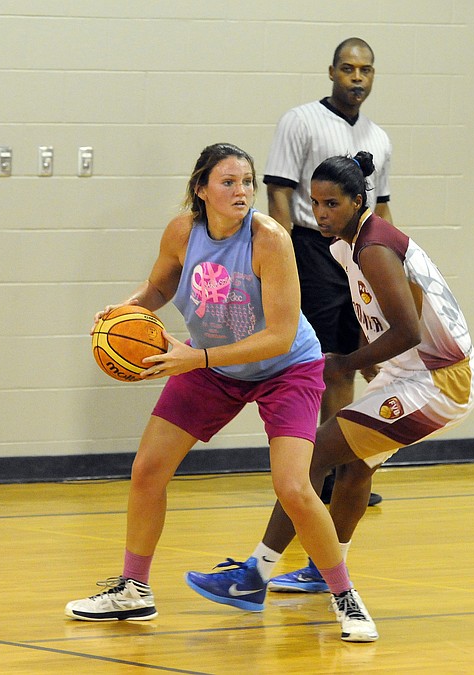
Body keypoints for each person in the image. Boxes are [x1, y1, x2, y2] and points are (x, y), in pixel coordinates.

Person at [65, 143, 378, 643]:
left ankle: (345, 596)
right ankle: (133, 590)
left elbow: (278, 334)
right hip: (212, 366)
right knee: (147, 469)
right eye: (229, 182)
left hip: (285, 368)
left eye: (248, 182)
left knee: (294, 487)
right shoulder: (181, 233)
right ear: (201, 189)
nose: (242, 191)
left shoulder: (269, 239)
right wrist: (125, 309)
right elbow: (160, 288)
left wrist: (198, 358)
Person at [185, 151, 474, 603]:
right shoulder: (348, 243)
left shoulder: (374, 247)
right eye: (315, 203)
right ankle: (325, 570)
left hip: (440, 381)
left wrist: (343, 363)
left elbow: (407, 330)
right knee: (355, 466)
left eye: (332, 204)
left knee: (315, 454)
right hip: (413, 371)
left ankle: (254, 574)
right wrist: (370, 360)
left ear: (358, 201)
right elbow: (386, 319)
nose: (321, 213)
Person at [263, 37, 393, 507]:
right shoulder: (300, 122)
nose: (357, 77)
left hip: (356, 253)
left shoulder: (379, 138)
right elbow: (278, 194)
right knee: (316, 366)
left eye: (365, 70)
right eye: (347, 68)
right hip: (311, 251)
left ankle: (339, 473)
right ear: (332, 72)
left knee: (346, 367)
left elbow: (382, 209)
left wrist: (389, 268)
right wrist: (278, 261)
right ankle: (309, 475)